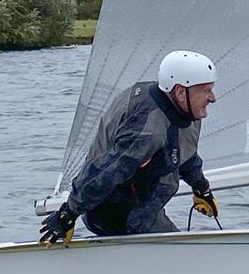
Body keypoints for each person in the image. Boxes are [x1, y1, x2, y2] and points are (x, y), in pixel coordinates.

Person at [39, 51, 219, 244]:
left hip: (144, 206)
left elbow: (185, 153)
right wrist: (68, 214)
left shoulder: (184, 110)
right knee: (181, 251)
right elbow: (105, 171)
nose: (213, 98)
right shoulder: (147, 131)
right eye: (206, 91)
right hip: (119, 213)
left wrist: (201, 189)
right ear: (181, 92)